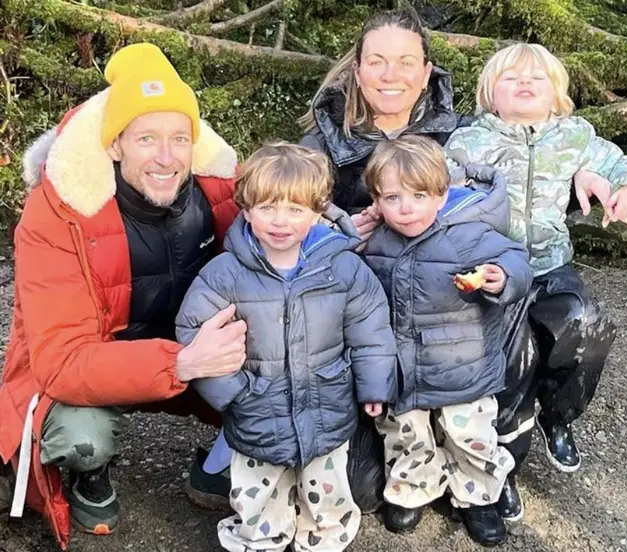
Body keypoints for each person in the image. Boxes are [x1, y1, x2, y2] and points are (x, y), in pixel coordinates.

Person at [0, 43, 246, 548]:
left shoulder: (221, 192)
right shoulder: (57, 215)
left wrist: (338, 231)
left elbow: (288, 225)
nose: (165, 157)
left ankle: (224, 461)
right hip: (111, 359)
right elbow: (60, 363)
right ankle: (90, 473)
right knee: (80, 434)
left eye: (180, 138)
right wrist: (182, 363)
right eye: (146, 138)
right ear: (114, 145)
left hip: (191, 351)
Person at [444, 43, 627, 521]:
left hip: (552, 264)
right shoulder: (469, 142)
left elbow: (622, 164)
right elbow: (440, 191)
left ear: (557, 95)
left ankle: (559, 414)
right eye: (511, 77)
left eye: (536, 79)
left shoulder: (575, 136)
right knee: (514, 361)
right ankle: (505, 465)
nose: (524, 84)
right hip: (496, 270)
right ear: (489, 95)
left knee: (587, 327)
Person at [175, 142, 398, 552]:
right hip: (257, 407)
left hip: (327, 404)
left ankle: (323, 538)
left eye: (295, 209)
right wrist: (232, 393)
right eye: (267, 208)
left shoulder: (344, 267)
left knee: (327, 491)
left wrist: (374, 386)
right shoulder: (224, 274)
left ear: (317, 212)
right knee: (258, 494)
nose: (281, 221)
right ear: (246, 208)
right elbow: (193, 330)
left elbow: (371, 328)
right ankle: (262, 539)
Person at [361, 135, 533, 545]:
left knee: (471, 438)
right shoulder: (375, 240)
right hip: (402, 370)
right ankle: (413, 488)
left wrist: (501, 277)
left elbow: (515, 258)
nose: (406, 207)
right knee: (405, 435)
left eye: (418, 195)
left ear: (441, 195)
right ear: (376, 201)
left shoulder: (469, 233)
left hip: (463, 366)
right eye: (393, 197)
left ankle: (479, 497)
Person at [300, 10, 472, 233]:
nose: (390, 75)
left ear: (426, 73)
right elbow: (284, 220)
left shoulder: (465, 136)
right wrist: (335, 233)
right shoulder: (318, 148)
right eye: (376, 62)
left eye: (406, 63)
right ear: (358, 73)